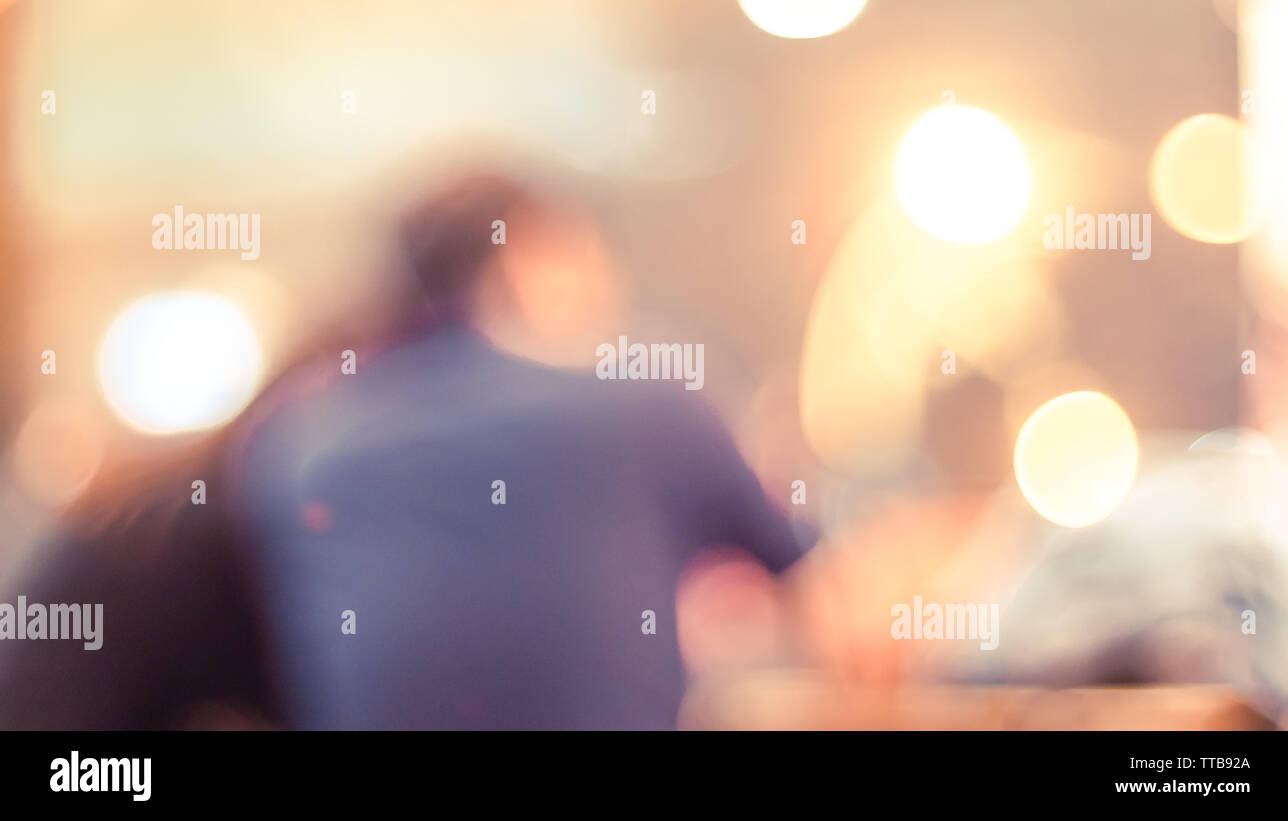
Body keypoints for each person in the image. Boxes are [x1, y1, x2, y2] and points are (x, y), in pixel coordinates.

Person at [0, 173, 806, 730]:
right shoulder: (348, 433)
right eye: (582, 271)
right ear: (515, 266)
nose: (600, 318)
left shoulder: (330, 408)